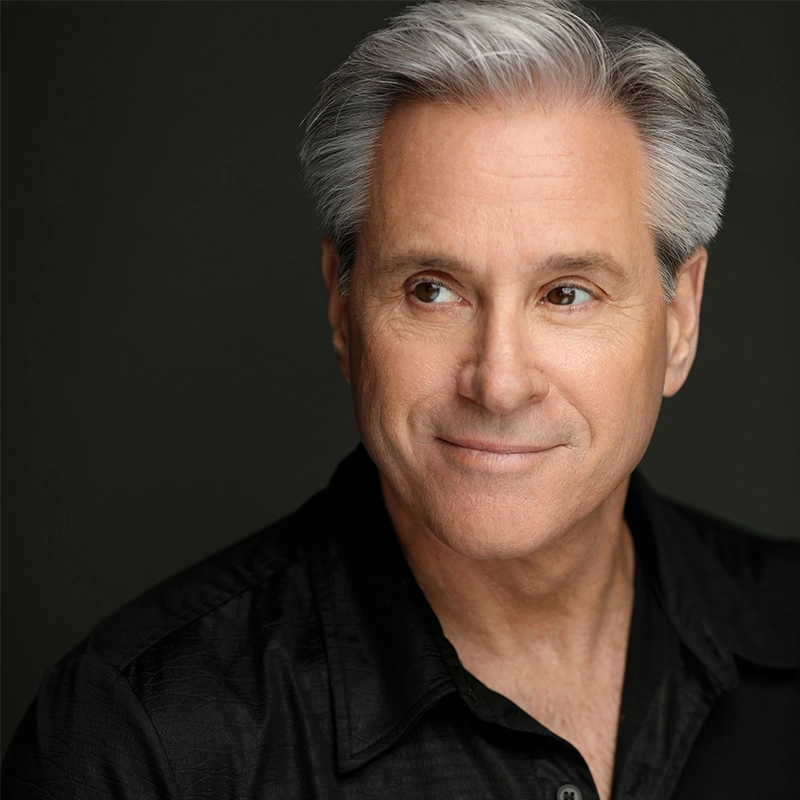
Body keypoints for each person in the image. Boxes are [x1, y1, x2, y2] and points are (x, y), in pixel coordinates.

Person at [3, 1, 798, 798]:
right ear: (341, 306)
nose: (498, 382)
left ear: (680, 320)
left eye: (566, 293)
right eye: (432, 289)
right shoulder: (137, 738)